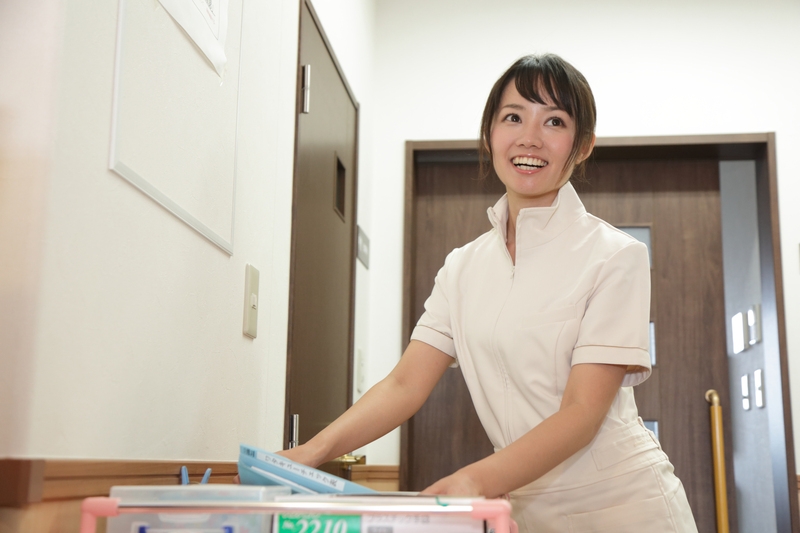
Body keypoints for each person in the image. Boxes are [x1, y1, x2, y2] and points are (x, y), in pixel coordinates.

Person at [280, 54, 698, 532]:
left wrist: (474, 479)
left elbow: (583, 413)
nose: (530, 138)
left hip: (624, 507)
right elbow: (404, 385)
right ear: (489, 134)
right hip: (522, 510)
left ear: (582, 147)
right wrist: (309, 453)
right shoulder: (462, 267)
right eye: (513, 116)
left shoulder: (614, 256)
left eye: (555, 121)